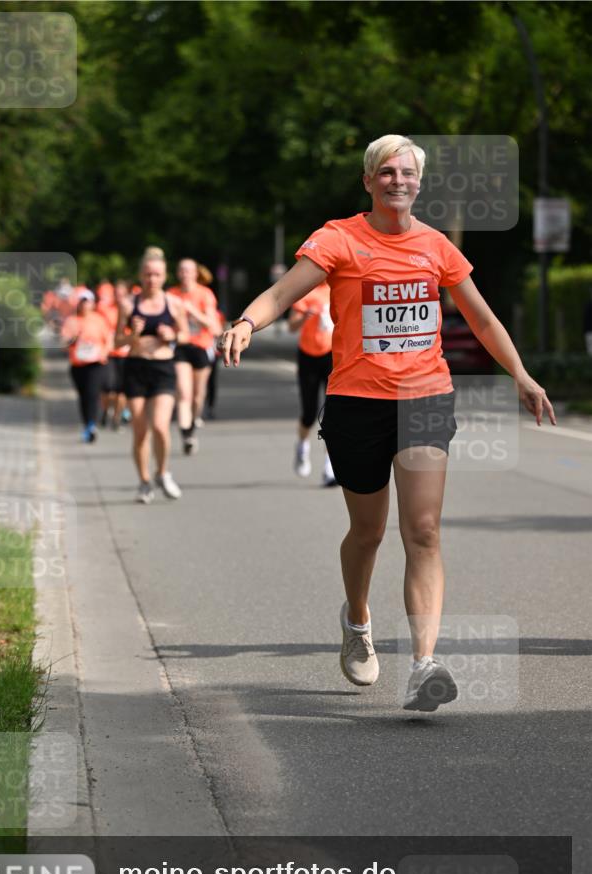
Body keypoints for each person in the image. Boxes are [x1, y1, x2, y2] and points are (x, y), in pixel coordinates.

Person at [218, 133, 556, 713]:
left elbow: (482, 317)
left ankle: (424, 664)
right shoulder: (339, 238)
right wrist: (247, 322)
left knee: (422, 529)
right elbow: (283, 291)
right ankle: (357, 619)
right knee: (368, 532)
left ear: (418, 183)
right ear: (369, 181)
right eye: (386, 172)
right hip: (357, 401)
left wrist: (520, 374)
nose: (397, 181)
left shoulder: (437, 248)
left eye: (406, 173)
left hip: (426, 396)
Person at [115, 248, 189, 503]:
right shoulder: (128, 304)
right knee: (140, 430)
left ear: (165, 275)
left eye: (157, 274)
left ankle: (162, 472)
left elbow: (186, 335)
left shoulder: (173, 303)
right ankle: (144, 481)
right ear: (140, 275)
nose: (152, 279)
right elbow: (116, 340)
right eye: (147, 275)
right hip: (135, 368)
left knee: (160, 426)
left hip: (162, 369)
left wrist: (173, 336)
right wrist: (131, 336)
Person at [169, 258, 221, 453]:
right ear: (177, 273)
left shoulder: (205, 294)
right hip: (180, 346)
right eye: (181, 271)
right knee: (184, 392)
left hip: (201, 346)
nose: (185, 274)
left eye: (188, 271)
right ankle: (186, 434)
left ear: (195, 273)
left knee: (198, 397)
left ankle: (192, 422)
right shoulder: (171, 294)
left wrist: (192, 312)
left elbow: (214, 327)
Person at [288, 281, 337, 485]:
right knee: (309, 413)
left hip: (331, 355)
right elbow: (291, 326)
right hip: (308, 356)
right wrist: (305, 316)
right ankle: (302, 446)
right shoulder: (304, 291)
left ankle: (329, 468)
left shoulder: (336, 289)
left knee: (332, 414)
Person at [61, 290, 113, 442]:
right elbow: (64, 344)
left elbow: (108, 339)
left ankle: (92, 425)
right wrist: (74, 339)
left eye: (87, 301)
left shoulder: (99, 320)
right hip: (78, 365)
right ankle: (87, 424)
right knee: (84, 396)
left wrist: (104, 353)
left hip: (95, 364)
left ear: (92, 303)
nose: (84, 304)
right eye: (82, 301)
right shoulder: (71, 321)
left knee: (92, 394)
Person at [97, 279, 131, 430]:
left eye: (122, 294)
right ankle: (105, 410)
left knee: (122, 390)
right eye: (116, 294)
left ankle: (117, 417)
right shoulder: (105, 310)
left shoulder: (131, 309)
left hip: (126, 354)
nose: (119, 296)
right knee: (107, 388)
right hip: (110, 353)